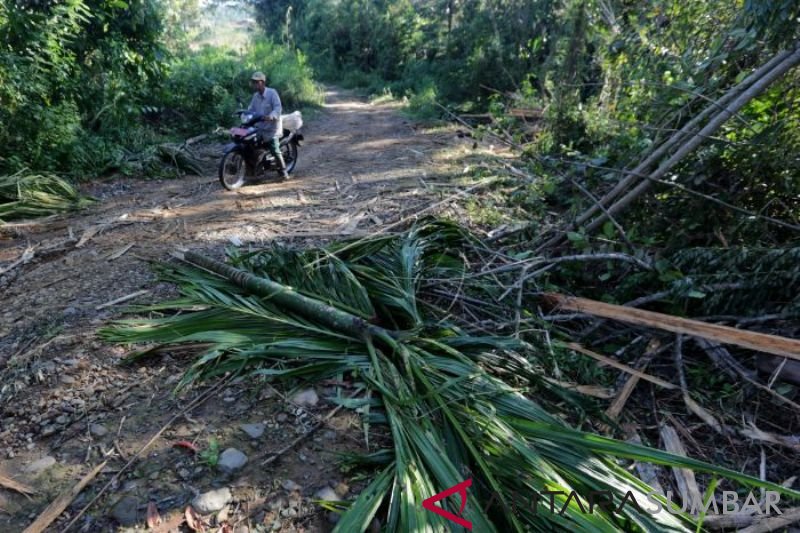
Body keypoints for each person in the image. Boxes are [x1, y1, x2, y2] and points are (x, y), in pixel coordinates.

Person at [247, 71, 288, 180]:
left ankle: (284, 172)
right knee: (251, 145)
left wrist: (271, 116)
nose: (255, 84)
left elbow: (278, 108)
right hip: (260, 128)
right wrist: (244, 114)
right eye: (253, 82)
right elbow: (250, 109)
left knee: (275, 149)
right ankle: (256, 170)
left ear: (262, 82)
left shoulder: (272, 93)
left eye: (256, 82)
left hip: (272, 128)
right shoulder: (255, 96)